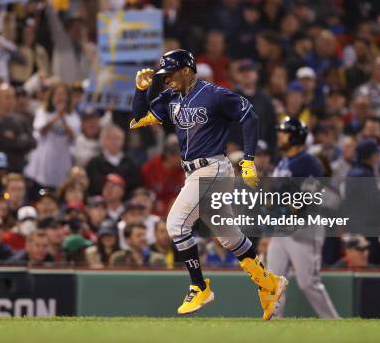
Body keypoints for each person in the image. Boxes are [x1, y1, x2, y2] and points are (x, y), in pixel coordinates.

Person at [131, 49, 286, 318]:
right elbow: (138, 120)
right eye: (163, 75)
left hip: (212, 167)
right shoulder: (171, 96)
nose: (166, 79)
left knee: (176, 225)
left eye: (170, 74)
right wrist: (141, 91)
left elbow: (249, 115)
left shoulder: (214, 94)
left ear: (187, 71)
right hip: (194, 173)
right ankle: (269, 283)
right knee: (229, 236)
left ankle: (199, 286)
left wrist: (248, 159)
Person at [266, 117, 339, 319]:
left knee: (308, 283)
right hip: (282, 229)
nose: (280, 135)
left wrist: (290, 206)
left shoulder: (307, 161)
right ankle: (273, 323)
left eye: (284, 132)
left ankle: (334, 322)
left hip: (304, 227)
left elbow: (311, 193)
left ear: (296, 136)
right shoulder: (284, 161)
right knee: (272, 280)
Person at [25, 82, 80, 189]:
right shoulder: (43, 112)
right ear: (52, 97)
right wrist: (56, 116)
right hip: (44, 157)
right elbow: (40, 130)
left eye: (63, 95)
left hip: (62, 158)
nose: (60, 98)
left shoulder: (73, 116)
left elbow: (73, 137)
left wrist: (63, 118)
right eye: (57, 94)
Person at [0, 83, 36, 172]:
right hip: (3, 170)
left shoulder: (22, 119)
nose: (11, 101)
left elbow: (33, 142)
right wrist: (22, 138)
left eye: (13, 97)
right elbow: (7, 145)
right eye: (7, 97)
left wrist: (17, 139)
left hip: (21, 168)